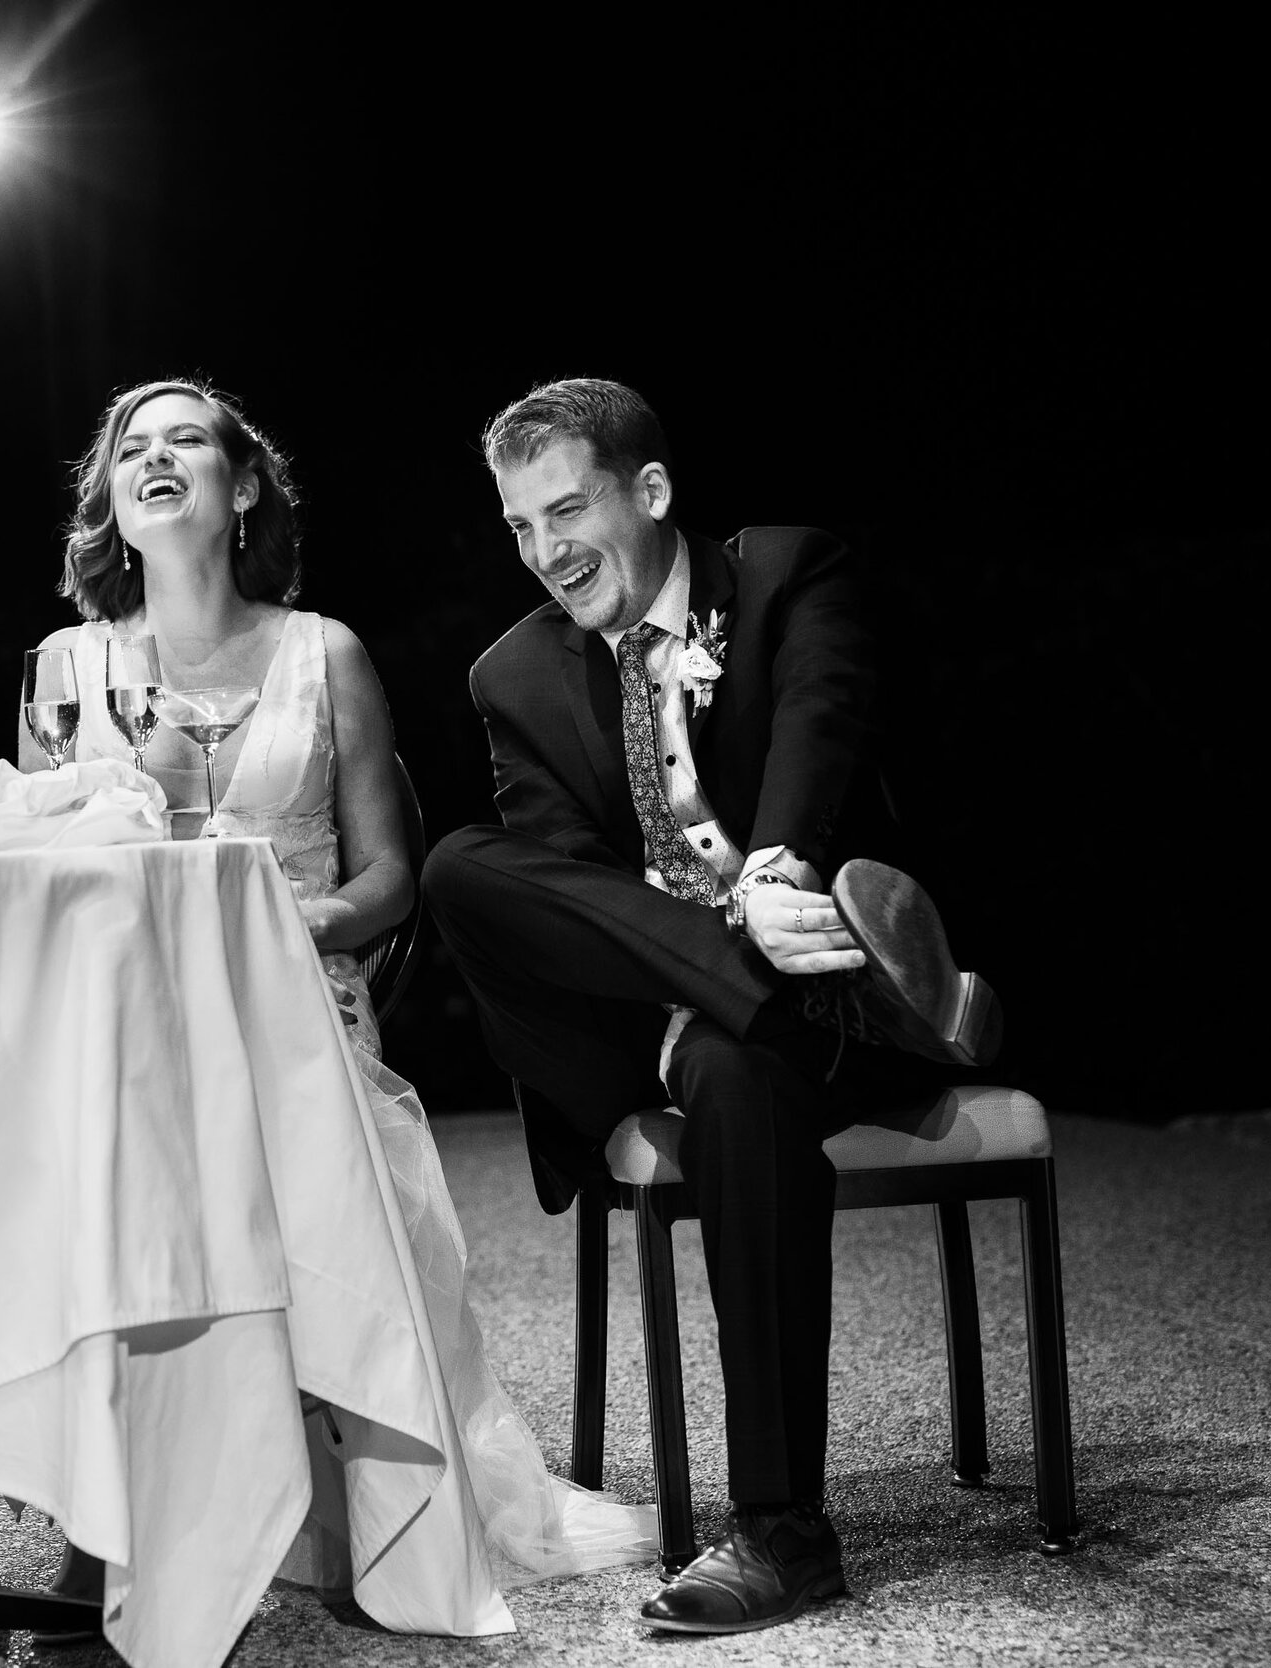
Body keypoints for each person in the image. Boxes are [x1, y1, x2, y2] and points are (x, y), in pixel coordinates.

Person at [21, 379, 658, 1623]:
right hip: (123, 1020)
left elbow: (392, 874)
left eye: (185, 443)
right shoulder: (65, 668)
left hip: (298, 1008)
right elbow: (40, 860)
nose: (155, 461)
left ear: (242, 483)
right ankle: (108, 1519)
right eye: (130, 451)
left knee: (270, 1130)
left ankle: (367, 1500)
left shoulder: (325, 653)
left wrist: (291, 925)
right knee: (85, 1146)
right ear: (109, 497)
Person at [421, 378, 1001, 1636]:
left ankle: (782, 1534)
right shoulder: (513, 673)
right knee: (461, 868)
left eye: (565, 508)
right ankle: (805, 982)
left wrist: (780, 866)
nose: (544, 550)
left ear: (652, 493)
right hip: (654, 1010)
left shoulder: (789, 575)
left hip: (810, 1009)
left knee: (746, 1074)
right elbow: (564, 891)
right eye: (519, 526)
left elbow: (820, 722)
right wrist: (728, 939)